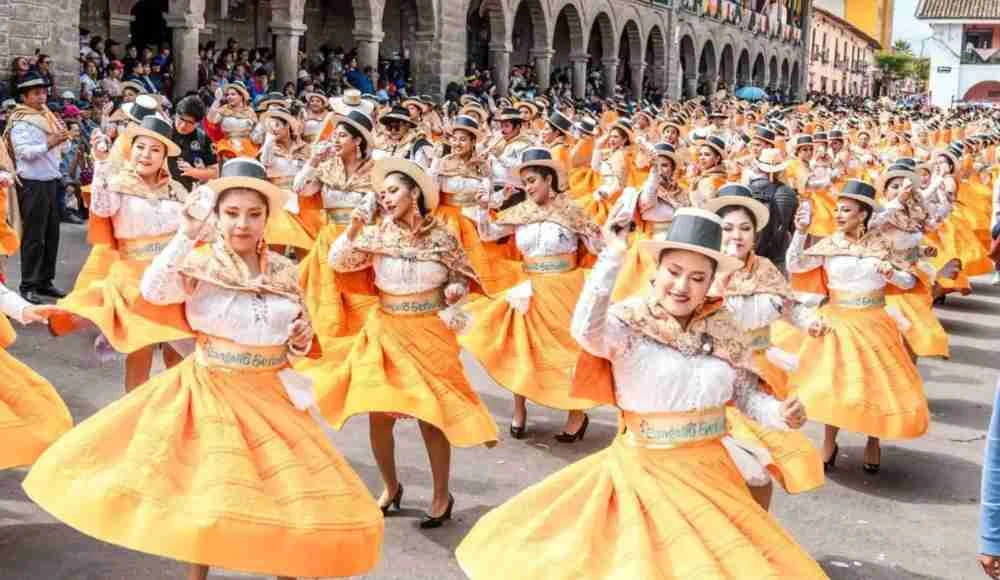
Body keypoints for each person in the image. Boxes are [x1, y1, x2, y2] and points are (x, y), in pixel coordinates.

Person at [23, 158, 384, 580]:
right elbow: (154, 290)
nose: (242, 225)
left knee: (290, 501)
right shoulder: (198, 263)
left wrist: (300, 337)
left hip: (273, 396)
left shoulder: (285, 272)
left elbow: (297, 340)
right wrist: (184, 236)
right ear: (217, 216)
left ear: (267, 219)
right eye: (231, 214)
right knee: (209, 501)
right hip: (212, 390)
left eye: (253, 214)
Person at [456, 207, 824, 579]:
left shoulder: (723, 328)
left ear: (712, 281)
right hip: (645, 472)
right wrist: (611, 255)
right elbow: (586, 330)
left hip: (712, 472)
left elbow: (745, 396)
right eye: (674, 272)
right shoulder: (628, 321)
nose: (682, 287)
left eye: (697, 278)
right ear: (657, 270)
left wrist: (781, 414)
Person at [299, 158, 498, 528]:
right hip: (386, 328)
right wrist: (356, 224)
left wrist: (455, 291)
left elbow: (461, 275)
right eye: (380, 194)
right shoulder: (375, 233)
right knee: (378, 411)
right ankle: (391, 487)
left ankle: (441, 494)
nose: (385, 199)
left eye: (392, 191)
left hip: (430, 332)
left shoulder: (443, 235)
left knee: (431, 416)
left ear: (414, 193)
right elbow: (338, 261)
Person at [788, 179, 928, 474]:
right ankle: (828, 442)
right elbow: (795, 265)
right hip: (836, 323)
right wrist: (800, 234)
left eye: (846, 210)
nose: (838, 215)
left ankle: (873, 440)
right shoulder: (830, 244)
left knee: (873, 385)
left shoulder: (882, 245)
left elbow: (910, 281)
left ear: (862, 214)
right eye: (837, 210)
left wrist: (892, 273)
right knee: (835, 385)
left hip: (874, 322)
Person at [462, 147, 602, 440]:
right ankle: (519, 410)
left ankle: (576, 415)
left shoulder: (572, 211)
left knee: (568, 353)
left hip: (566, 289)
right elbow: (488, 235)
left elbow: (597, 249)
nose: (528, 187)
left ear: (549, 180)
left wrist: (606, 237)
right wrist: (481, 208)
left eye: (532, 180)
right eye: (524, 182)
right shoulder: (521, 211)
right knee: (522, 348)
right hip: (530, 289)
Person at [51, 115, 191, 393]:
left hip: (174, 276)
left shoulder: (176, 190)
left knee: (178, 351)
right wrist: (102, 163)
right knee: (140, 347)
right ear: (131, 148)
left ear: (164, 156)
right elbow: (101, 210)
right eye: (141, 147)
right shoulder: (117, 184)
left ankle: (176, 413)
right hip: (134, 277)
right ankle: (134, 412)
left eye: (155, 149)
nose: (146, 155)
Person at [5, 72, 71, 304]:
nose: (42, 96)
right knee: (34, 236)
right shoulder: (21, 120)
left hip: (51, 181)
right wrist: (51, 141)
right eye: (36, 93)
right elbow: (24, 153)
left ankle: (45, 281)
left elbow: (63, 146)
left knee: (51, 234)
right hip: (33, 184)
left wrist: (63, 138)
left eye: (44, 91)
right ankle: (28, 284)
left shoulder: (48, 115)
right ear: (24, 97)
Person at [168, 95, 219, 190]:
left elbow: (215, 172)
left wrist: (194, 172)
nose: (183, 125)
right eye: (181, 119)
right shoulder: (163, 130)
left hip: (187, 192)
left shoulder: (203, 139)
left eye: (190, 122)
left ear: (197, 123)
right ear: (175, 114)